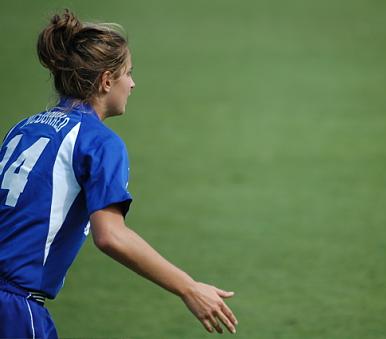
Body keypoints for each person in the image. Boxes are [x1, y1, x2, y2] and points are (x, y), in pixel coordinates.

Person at [0, 9, 238, 338]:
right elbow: (111, 235)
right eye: (128, 73)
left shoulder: (22, 129)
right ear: (106, 80)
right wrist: (189, 288)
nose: (133, 84)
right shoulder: (98, 142)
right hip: (13, 310)